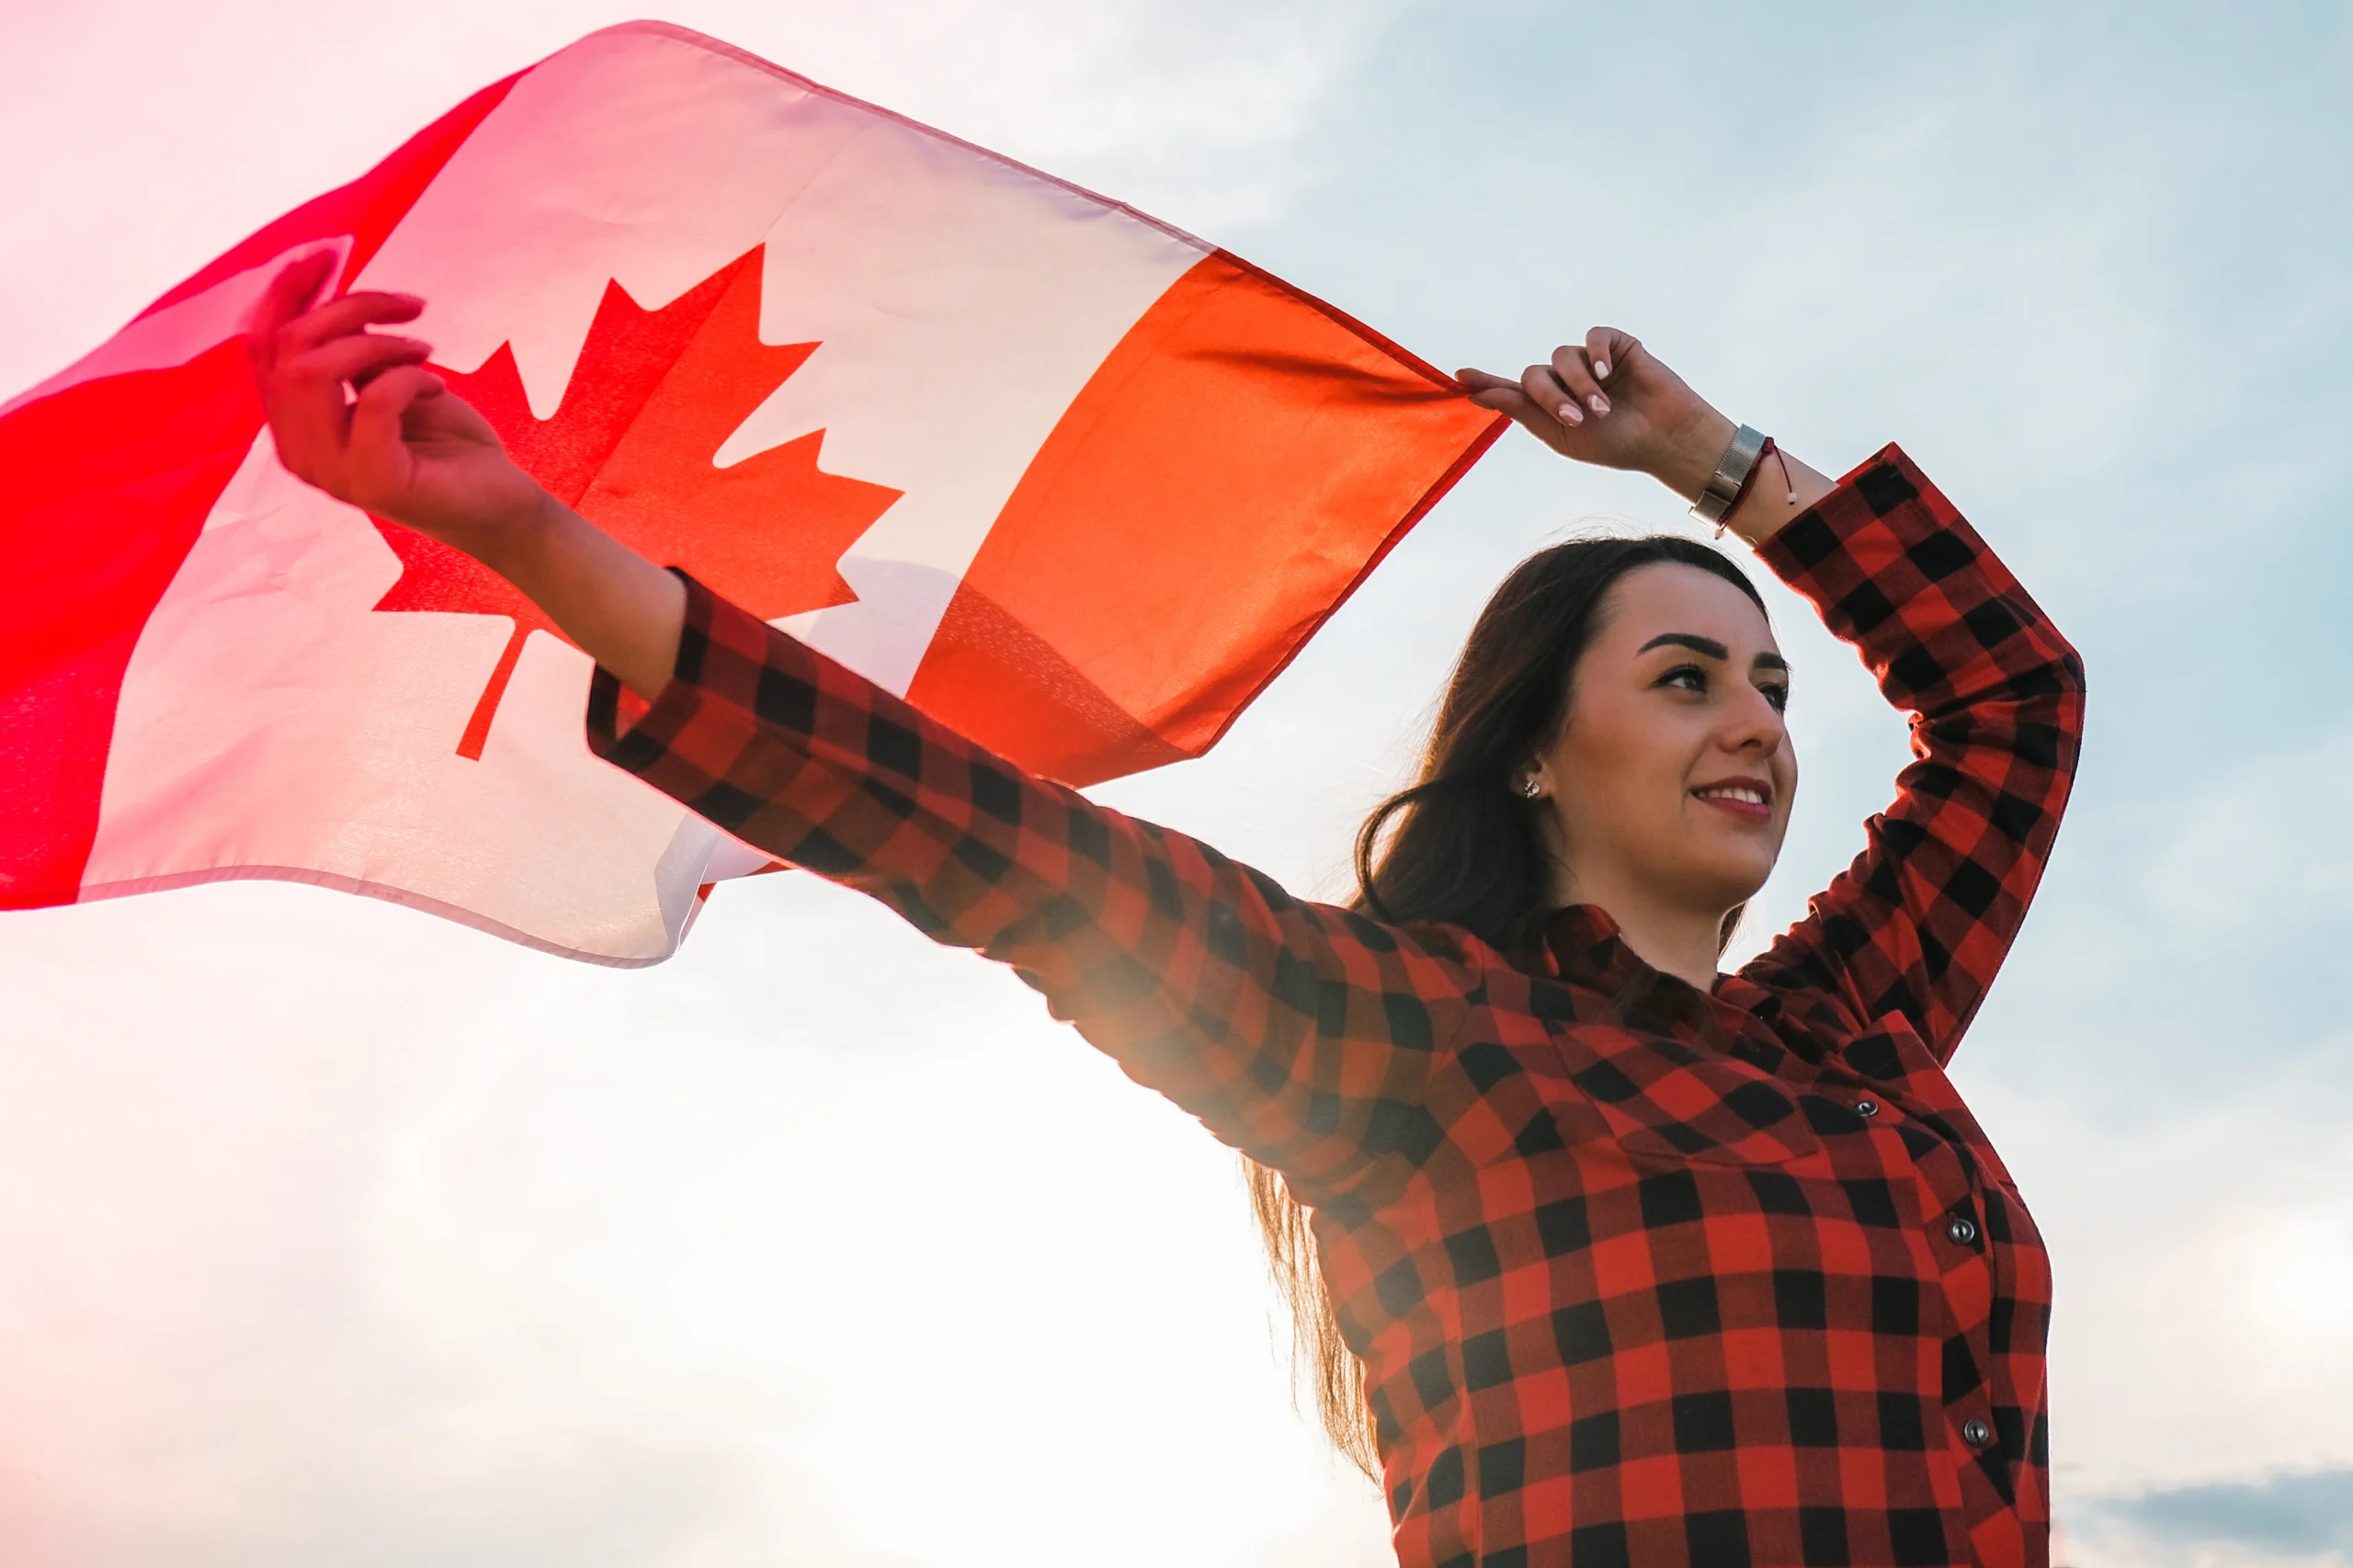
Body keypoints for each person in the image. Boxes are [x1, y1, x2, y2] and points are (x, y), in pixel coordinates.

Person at [249, 247, 2083, 1568]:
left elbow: (2010, 700)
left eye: (1770, 687)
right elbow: (990, 842)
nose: (1756, 722)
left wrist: (1715, 464)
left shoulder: (1851, 1030)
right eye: (1684, 679)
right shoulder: (1416, 1040)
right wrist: (529, 539)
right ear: (1533, 748)